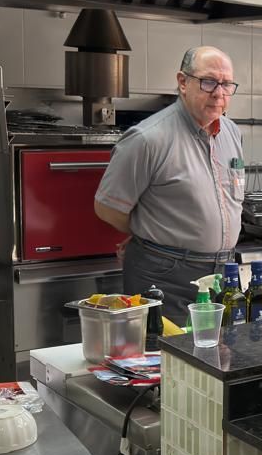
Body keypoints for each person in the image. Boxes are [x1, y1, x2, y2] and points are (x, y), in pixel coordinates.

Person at [94, 46, 244, 322]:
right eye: (208, 82)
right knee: (167, 350)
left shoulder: (231, 133)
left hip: (223, 275)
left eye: (226, 84)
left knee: (220, 349)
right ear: (183, 82)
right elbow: (107, 208)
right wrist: (148, 230)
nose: (219, 93)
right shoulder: (147, 139)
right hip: (165, 276)